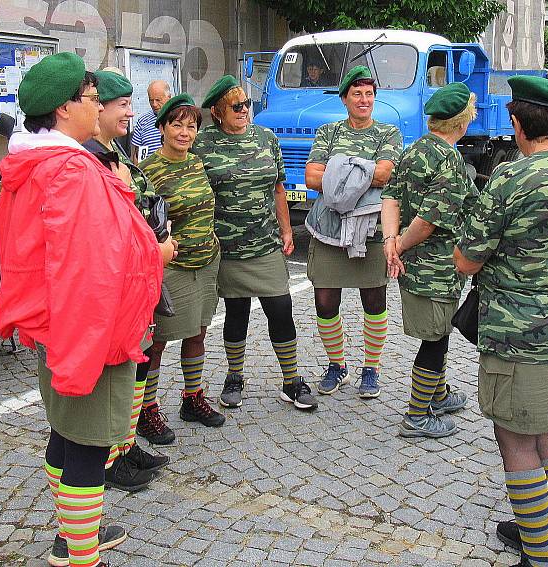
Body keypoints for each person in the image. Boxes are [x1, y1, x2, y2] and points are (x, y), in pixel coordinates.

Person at [0, 52, 172, 567]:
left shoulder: (36, 162)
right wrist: (155, 254)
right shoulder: (70, 171)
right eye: (93, 99)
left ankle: (73, 534)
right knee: (89, 446)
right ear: (66, 107)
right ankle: (79, 555)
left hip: (61, 324)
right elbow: (93, 267)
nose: (99, 108)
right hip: (87, 331)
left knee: (65, 432)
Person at [454, 75, 548, 567]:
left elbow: (467, 260)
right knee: (541, 430)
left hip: (522, 336)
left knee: (515, 438)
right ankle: (537, 528)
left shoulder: (509, 179)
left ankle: (539, 555)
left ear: (517, 124)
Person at [191, 75, 318, 411]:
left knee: (280, 308)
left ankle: (291, 380)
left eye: (247, 104)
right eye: (237, 106)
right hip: (227, 247)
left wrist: (287, 230)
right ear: (218, 111)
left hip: (265, 242)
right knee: (236, 311)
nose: (245, 110)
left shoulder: (266, 137)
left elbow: (278, 186)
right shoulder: (203, 143)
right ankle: (235, 377)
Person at [82, 69, 170, 492]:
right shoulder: (90, 160)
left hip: (140, 284)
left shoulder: (116, 154)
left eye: (129, 105)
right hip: (119, 286)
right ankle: (110, 456)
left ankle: (126, 443)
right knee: (117, 376)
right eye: (122, 105)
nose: (129, 113)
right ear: (96, 109)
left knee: (138, 365)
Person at [380, 82, 476, 439]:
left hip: (415, 265)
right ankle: (418, 415)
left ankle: (438, 395)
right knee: (436, 340)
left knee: (440, 331)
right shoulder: (450, 160)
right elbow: (428, 220)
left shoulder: (413, 149)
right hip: (436, 267)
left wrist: (391, 242)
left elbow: (389, 197)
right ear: (463, 122)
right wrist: (400, 245)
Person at [304, 66, 403, 398]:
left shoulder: (388, 134)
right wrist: (362, 169)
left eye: (369, 93)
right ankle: (337, 365)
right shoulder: (328, 131)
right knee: (325, 300)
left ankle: (371, 369)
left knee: (374, 299)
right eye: (357, 93)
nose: (364, 99)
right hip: (328, 228)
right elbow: (312, 178)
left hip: (372, 229)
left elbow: (386, 175)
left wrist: (339, 170)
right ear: (345, 98)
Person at [138, 94, 225, 445]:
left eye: (191, 126)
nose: (184, 132)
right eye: (177, 124)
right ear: (161, 127)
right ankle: (147, 409)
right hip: (171, 266)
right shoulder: (147, 171)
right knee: (157, 342)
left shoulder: (197, 163)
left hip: (206, 262)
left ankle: (193, 398)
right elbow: (142, 222)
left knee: (198, 333)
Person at [131, 80, 172, 163]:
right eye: (151, 100)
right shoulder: (142, 121)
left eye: (158, 100)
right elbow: (136, 155)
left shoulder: (179, 118)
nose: (154, 104)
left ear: (169, 97)